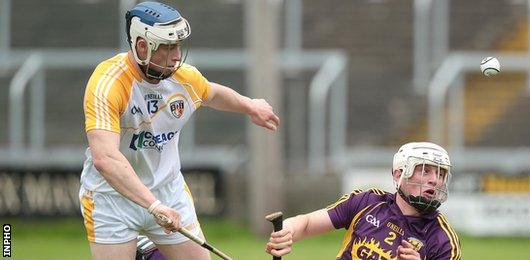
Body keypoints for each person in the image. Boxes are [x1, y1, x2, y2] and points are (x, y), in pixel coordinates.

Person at [79, 1, 279, 259]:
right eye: (168, 47)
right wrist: (153, 206)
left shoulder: (183, 77)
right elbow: (105, 158)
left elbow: (212, 93)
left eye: (179, 46)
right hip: (112, 198)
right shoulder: (108, 83)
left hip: (167, 190)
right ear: (142, 46)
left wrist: (250, 105)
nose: (177, 55)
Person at [266, 142, 461, 260]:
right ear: (399, 173)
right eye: (425, 170)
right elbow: (307, 224)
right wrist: (287, 231)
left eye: (441, 174)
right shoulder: (367, 202)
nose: (435, 180)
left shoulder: (443, 240)